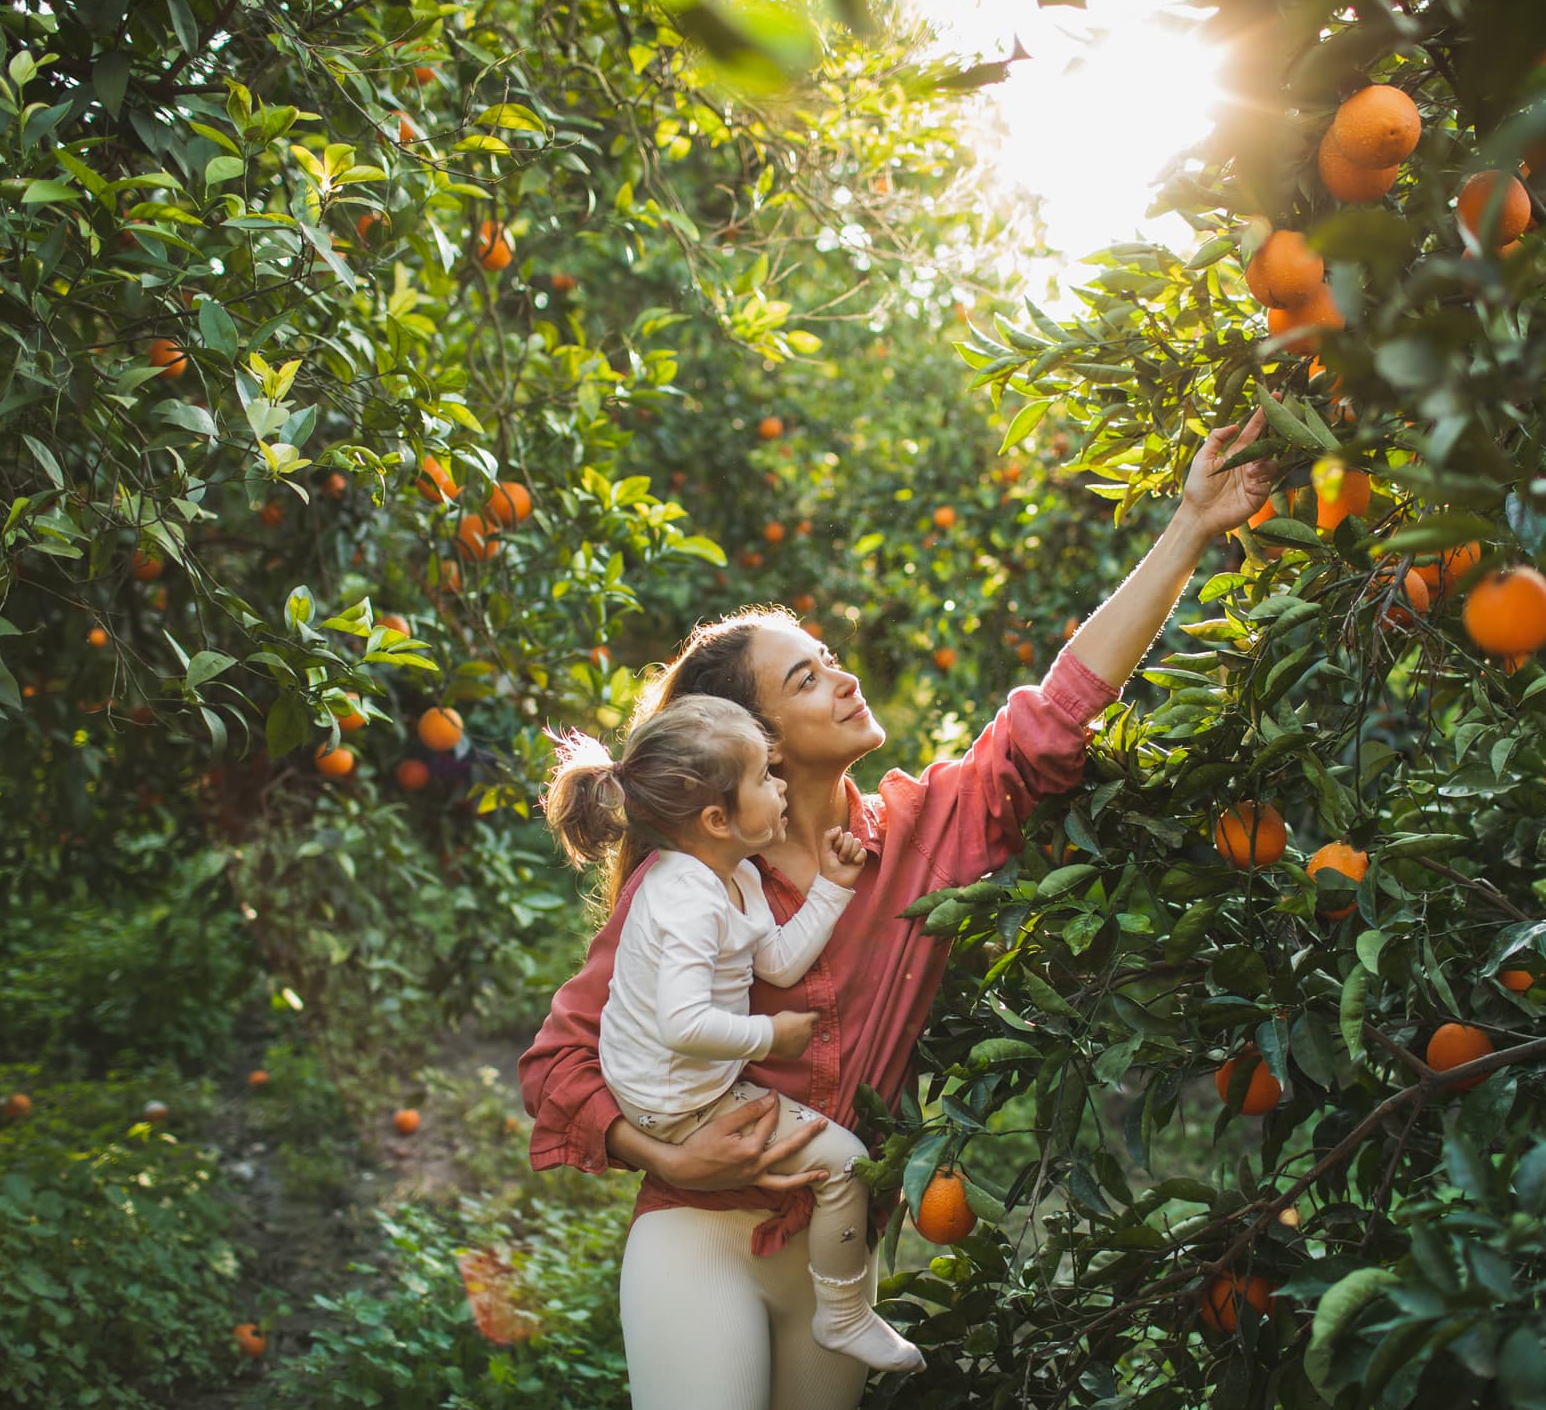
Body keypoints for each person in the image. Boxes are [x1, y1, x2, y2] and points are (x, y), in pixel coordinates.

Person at [520, 408, 1274, 1410]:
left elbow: (1052, 714)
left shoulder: (925, 831)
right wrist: (660, 1149)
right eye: (808, 675)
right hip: (696, 1236)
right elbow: (555, 1063)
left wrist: (1189, 526)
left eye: (829, 654)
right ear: (763, 745)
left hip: (840, 1250)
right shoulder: (689, 886)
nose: (844, 675)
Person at [540, 695, 926, 1373]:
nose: (780, 787)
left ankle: (838, 1313)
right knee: (843, 1165)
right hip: (672, 1100)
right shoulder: (684, 899)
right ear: (717, 818)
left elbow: (776, 959)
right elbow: (682, 1024)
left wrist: (832, 888)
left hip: (685, 1080)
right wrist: (766, 1035)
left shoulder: (732, 873)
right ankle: (843, 1315)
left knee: (834, 1160)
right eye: (763, 778)